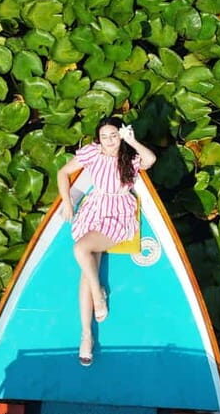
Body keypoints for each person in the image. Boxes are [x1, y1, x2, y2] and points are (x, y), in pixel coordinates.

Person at [56, 116, 157, 366]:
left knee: (81, 249)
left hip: (118, 212)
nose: (110, 141)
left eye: (114, 135)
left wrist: (131, 141)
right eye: (104, 136)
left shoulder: (129, 156)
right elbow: (63, 172)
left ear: (120, 135)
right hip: (94, 208)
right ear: (98, 138)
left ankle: (98, 297)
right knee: (88, 266)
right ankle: (86, 335)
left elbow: (150, 160)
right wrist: (67, 202)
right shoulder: (92, 152)